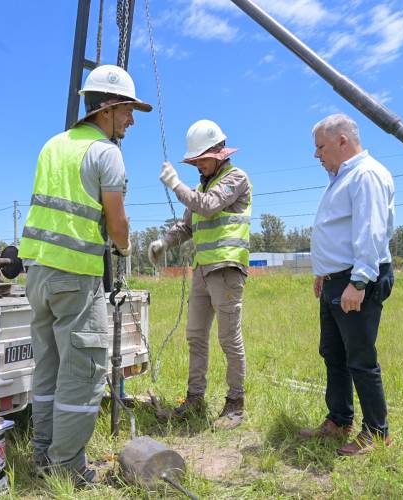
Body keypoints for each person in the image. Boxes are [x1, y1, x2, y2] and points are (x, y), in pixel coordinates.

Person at [18, 64, 151, 483]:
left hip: (37, 275)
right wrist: (126, 249)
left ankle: (43, 456)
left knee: (49, 370)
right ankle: (69, 469)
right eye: (128, 111)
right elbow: (117, 222)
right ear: (108, 109)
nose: (131, 120)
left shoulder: (52, 145)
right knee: (84, 373)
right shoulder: (107, 153)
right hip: (75, 275)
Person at [298, 113, 395, 456]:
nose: (317, 154)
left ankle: (377, 431)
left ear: (342, 140)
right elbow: (338, 232)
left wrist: (358, 282)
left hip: (357, 280)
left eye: (320, 147)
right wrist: (323, 274)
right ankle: (339, 420)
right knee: (334, 354)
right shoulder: (341, 177)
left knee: (360, 358)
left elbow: (370, 232)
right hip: (335, 282)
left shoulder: (365, 175)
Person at [149, 119, 252, 430]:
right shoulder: (200, 185)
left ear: (219, 152)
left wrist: (176, 185)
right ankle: (194, 398)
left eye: (200, 160)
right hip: (203, 272)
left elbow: (207, 207)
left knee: (228, 338)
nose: (197, 166)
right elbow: (188, 225)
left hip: (227, 269)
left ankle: (235, 404)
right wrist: (164, 242)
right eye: (194, 161)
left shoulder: (236, 179)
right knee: (195, 336)